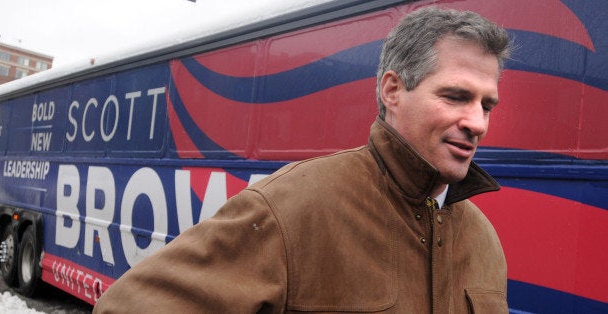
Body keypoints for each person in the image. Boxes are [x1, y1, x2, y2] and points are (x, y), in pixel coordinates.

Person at [94, 6, 511, 313]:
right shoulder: (291, 209)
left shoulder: (484, 239)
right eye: (455, 96)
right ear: (392, 91)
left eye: (487, 105)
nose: (477, 123)